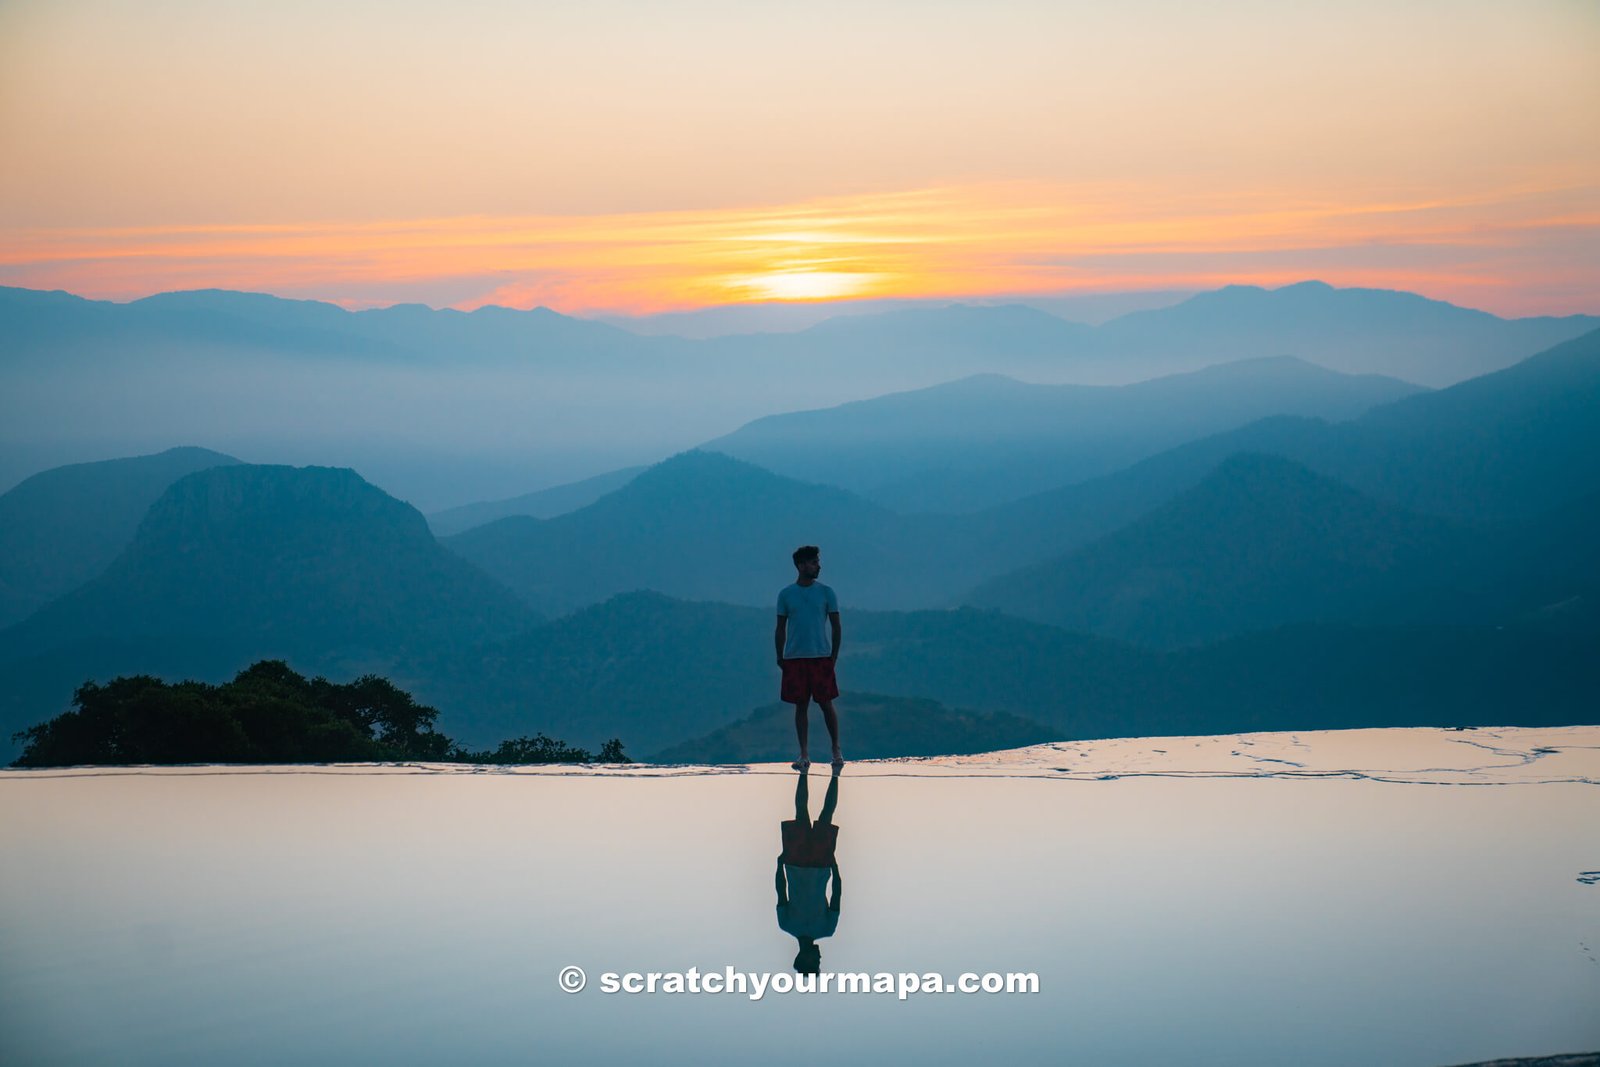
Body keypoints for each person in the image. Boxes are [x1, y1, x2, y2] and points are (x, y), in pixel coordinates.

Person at [775, 544, 842, 771]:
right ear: (800, 566)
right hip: (795, 658)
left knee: (826, 704)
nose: (817, 566)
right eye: (813, 562)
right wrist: (780, 655)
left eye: (817, 562)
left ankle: (836, 750)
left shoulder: (826, 592)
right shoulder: (786, 595)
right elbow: (780, 628)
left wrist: (833, 655)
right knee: (800, 705)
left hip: (820, 656)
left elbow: (836, 625)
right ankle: (804, 753)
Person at [775, 766, 841, 975]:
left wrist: (779, 867)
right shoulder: (822, 929)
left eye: (816, 961)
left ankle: (812, 772)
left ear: (804, 957)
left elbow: (781, 891)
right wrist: (836, 868)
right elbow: (836, 896)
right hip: (806, 864)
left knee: (811, 813)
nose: (820, 957)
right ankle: (830, 773)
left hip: (808, 864)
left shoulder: (789, 925)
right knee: (817, 813)